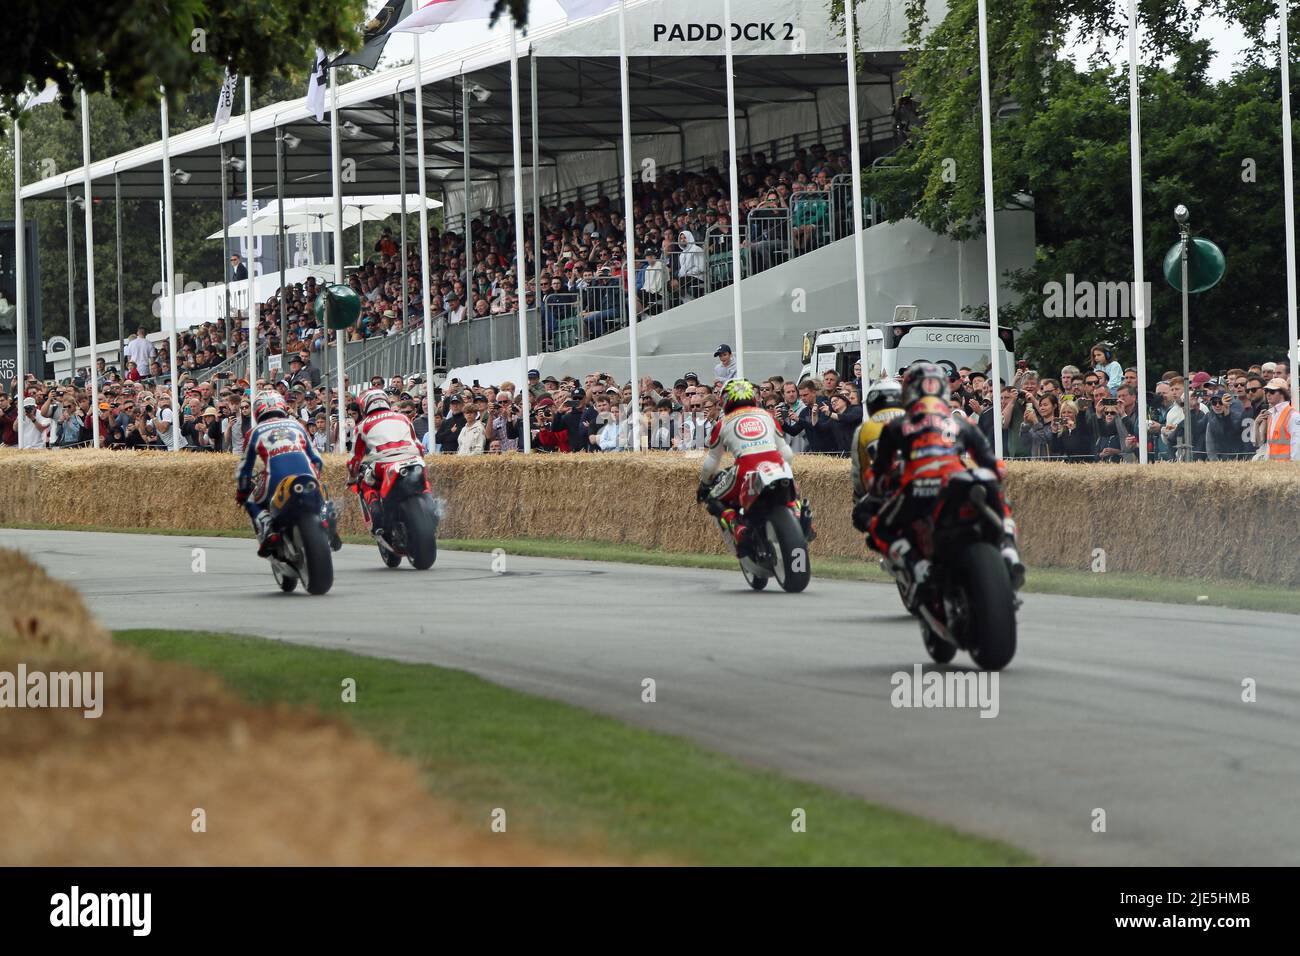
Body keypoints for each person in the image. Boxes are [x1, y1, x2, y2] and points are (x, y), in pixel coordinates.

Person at [866, 362, 1023, 605]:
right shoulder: (960, 423)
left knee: (878, 529)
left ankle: (917, 567)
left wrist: (878, 485)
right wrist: (993, 475)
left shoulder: (896, 426)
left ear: (908, 393)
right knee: (1000, 501)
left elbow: (880, 473)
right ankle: (1010, 553)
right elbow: (991, 463)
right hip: (961, 481)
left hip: (917, 488)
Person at [695, 379, 796, 557]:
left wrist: (704, 483)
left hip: (745, 469)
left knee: (712, 498)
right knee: (792, 487)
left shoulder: (723, 423)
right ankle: (800, 514)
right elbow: (787, 454)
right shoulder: (768, 416)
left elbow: (712, 461)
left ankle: (739, 529)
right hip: (776, 465)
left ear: (726, 400)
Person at [234, 391, 335, 557]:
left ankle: (267, 525)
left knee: (251, 501)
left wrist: (241, 492)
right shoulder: (297, 426)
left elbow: (244, 468)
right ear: (282, 405)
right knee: (321, 487)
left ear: (258, 410)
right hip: (307, 476)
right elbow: (317, 459)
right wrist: (316, 475)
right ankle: (325, 514)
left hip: (275, 479)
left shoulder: (254, 432)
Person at [347, 388, 426, 540]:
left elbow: (355, 459)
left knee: (365, 482)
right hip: (413, 458)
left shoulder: (362, 426)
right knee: (423, 478)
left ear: (365, 406)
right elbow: (417, 444)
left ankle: (376, 513)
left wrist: (351, 477)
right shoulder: (402, 418)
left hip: (384, 462)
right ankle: (431, 504)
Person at [849, 379, 905, 533]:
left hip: (891, 487)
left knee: (860, 515)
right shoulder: (920, 419)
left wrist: (861, 496)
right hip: (930, 483)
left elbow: (859, 471)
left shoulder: (865, 428)